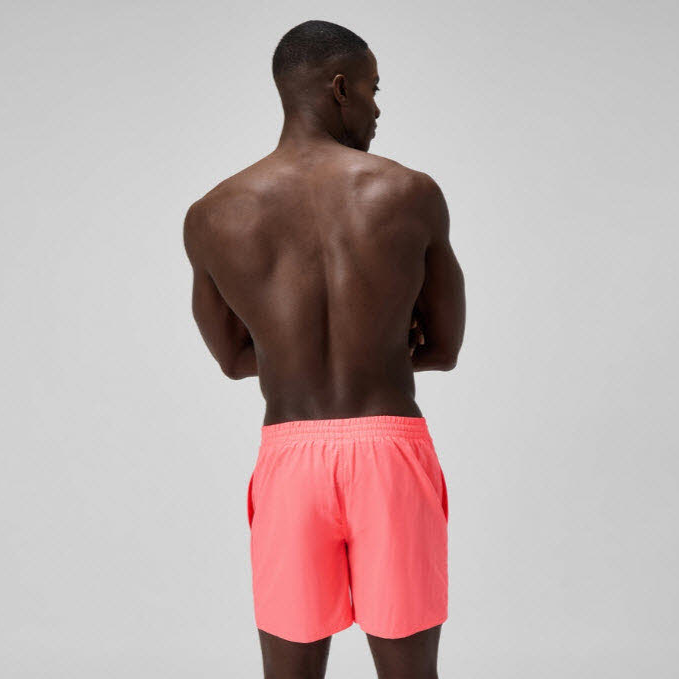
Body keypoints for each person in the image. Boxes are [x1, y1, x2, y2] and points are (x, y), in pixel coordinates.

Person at [183, 19, 466, 679]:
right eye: (373, 89)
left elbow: (232, 359)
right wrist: (382, 347)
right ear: (340, 88)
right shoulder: (409, 193)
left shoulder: (214, 213)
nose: (377, 108)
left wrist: (290, 353)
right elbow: (445, 346)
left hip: (289, 459)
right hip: (390, 453)